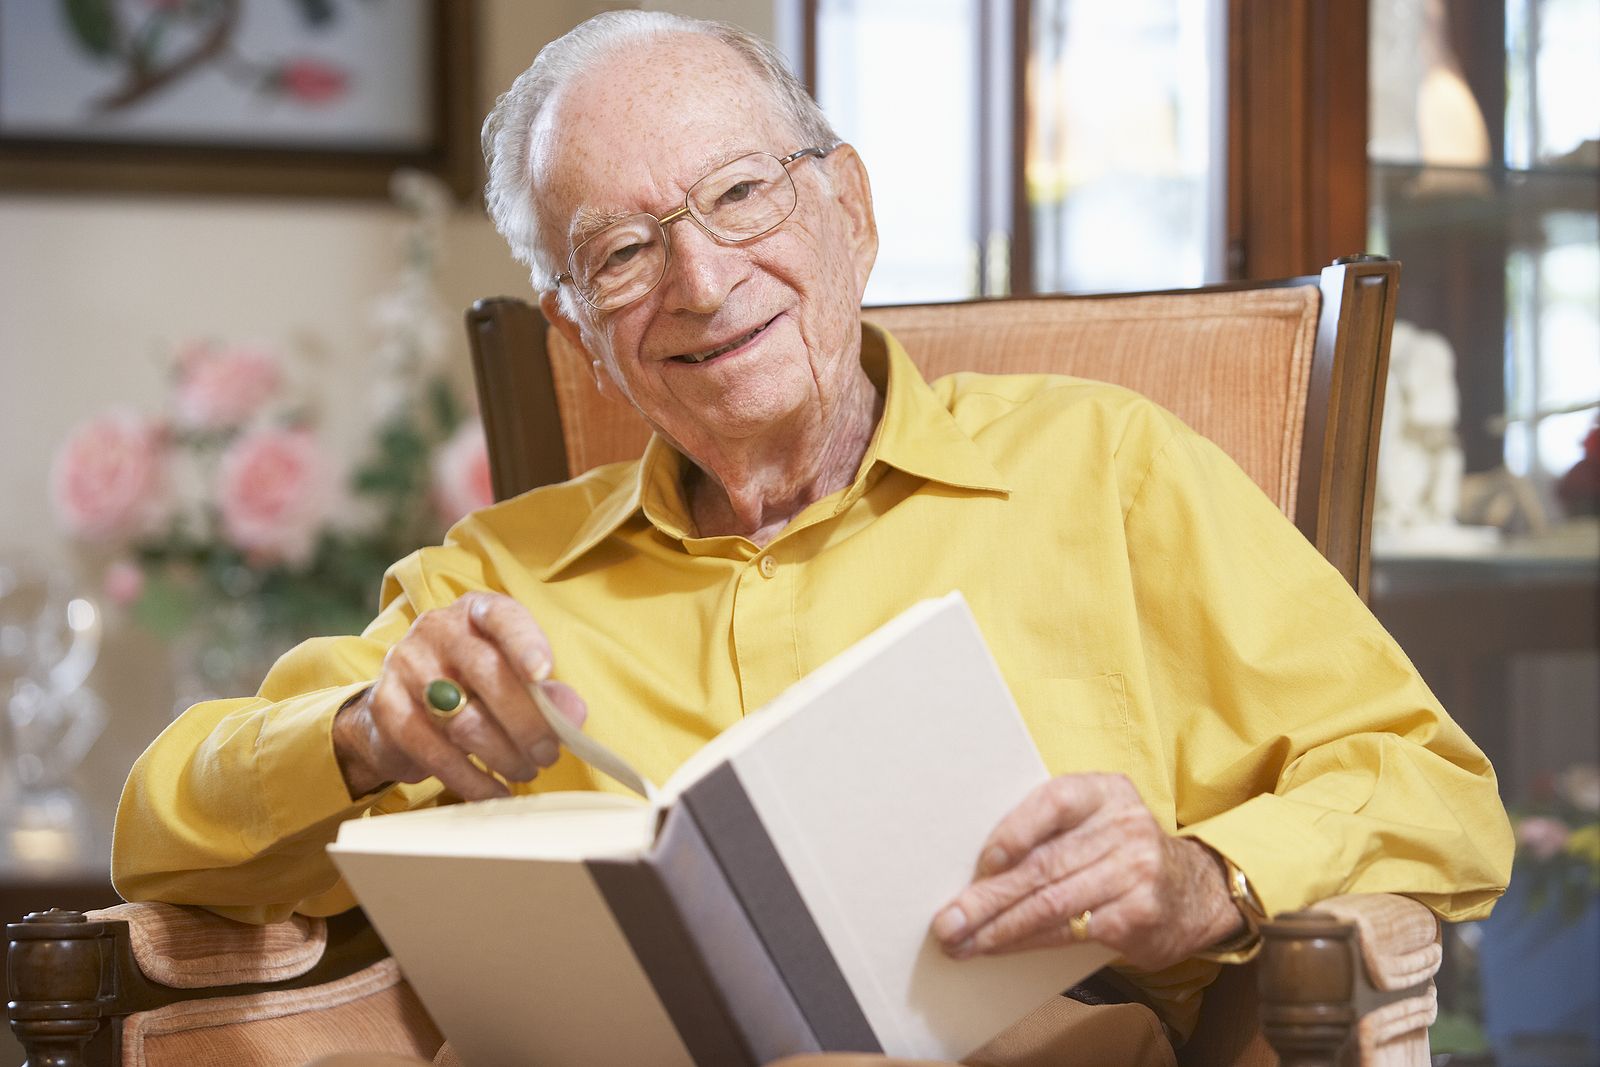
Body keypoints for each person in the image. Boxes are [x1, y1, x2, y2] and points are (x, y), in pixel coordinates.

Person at [112, 11, 1512, 1065]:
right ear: (580, 335)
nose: (704, 284)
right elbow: (163, 831)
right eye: (620, 251)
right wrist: (360, 733)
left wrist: (1206, 881)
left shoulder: (1107, 471)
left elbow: (1434, 789)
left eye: (740, 195)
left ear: (849, 208)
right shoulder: (492, 582)